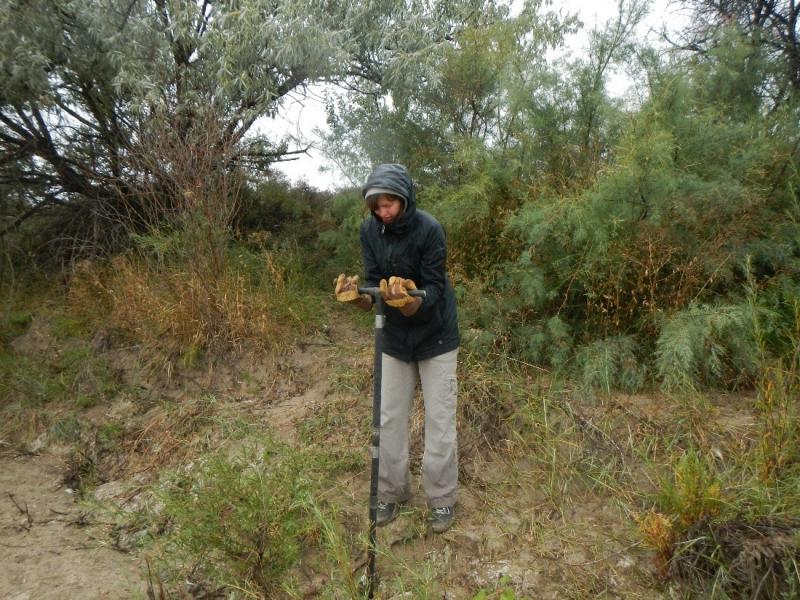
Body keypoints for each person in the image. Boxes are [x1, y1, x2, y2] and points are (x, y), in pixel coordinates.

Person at [334, 163, 460, 533]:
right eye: (377, 206)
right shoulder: (369, 230)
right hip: (393, 339)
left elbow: (434, 288)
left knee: (440, 421)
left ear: (404, 199)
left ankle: (441, 500)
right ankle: (391, 493)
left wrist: (408, 302)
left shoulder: (430, 229)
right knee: (388, 419)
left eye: (388, 204)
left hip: (436, 335)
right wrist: (360, 299)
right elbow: (373, 282)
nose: (382, 212)